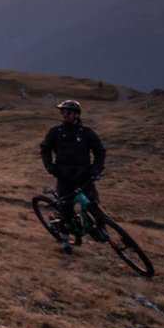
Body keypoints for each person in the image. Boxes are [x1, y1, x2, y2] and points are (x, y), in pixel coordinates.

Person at [40, 99, 106, 252]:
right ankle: (65, 241)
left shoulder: (86, 133)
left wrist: (96, 170)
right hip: (64, 176)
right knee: (66, 209)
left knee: (93, 204)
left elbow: (100, 151)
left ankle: (100, 229)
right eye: (62, 112)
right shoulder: (55, 132)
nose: (64, 115)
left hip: (84, 175)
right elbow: (45, 149)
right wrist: (50, 167)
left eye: (68, 112)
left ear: (76, 115)